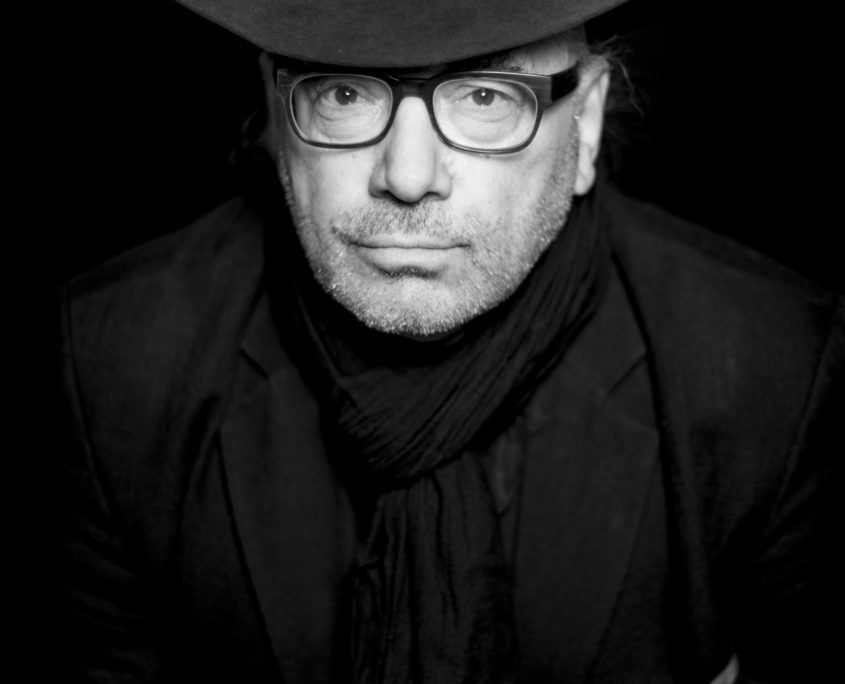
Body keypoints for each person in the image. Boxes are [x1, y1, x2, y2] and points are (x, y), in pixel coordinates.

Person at [43, 0, 843, 682]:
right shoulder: (111, 360)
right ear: (277, 116)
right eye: (344, 92)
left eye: (485, 96)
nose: (407, 174)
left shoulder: (768, 362)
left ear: (587, 125)